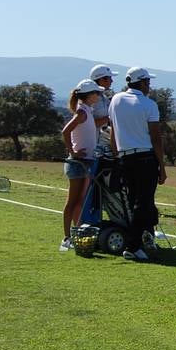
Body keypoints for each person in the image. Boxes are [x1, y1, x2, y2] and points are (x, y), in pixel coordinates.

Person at [108, 66, 167, 261]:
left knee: (137, 202)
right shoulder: (149, 105)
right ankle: (133, 246)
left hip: (125, 158)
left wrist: (117, 156)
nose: (149, 85)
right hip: (145, 159)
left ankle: (145, 240)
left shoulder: (116, 100)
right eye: (148, 82)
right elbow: (156, 138)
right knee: (143, 204)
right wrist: (162, 167)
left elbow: (113, 132)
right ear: (141, 83)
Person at [59, 79, 104, 251]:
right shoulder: (82, 113)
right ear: (89, 95)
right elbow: (66, 131)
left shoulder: (87, 111)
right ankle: (66, 238)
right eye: (97, 93)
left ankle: (76, 234)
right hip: (78, 163)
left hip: (86, 162)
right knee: (72, 201)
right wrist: (73, 152)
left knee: (80, 201)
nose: (98, 95)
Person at [87, 64, 117, 143]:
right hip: (91, 143)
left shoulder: (103, 97)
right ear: (101, 80)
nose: (112, 81)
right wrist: (110, 117)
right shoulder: (91, 100)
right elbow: (87, 124)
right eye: (109, 78)